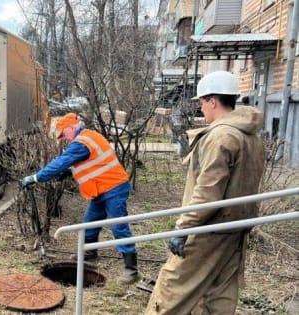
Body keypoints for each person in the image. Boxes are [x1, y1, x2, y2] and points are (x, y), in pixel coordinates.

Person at [145, 71, 265, 314]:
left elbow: (208, 192)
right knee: (219, 293)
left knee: (172, 289)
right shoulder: (251, 137)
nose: (201, 110)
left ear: (213, 101)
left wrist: (184, 227)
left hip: (208, 229)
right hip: (236, 228)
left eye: (201, 103)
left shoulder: (221, 136)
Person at [21, 113, 141, 284]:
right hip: (101, 188)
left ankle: (131, 270)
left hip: (113, 187)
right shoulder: (88, 137)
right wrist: (70, 172)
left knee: (118, 225)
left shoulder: (82, 142)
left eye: (63, 134)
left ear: (71, 128)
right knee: (89, 222)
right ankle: (89, 254)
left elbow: (61, 161)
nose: (63, 138)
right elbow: (93, 162)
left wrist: (35, 177)